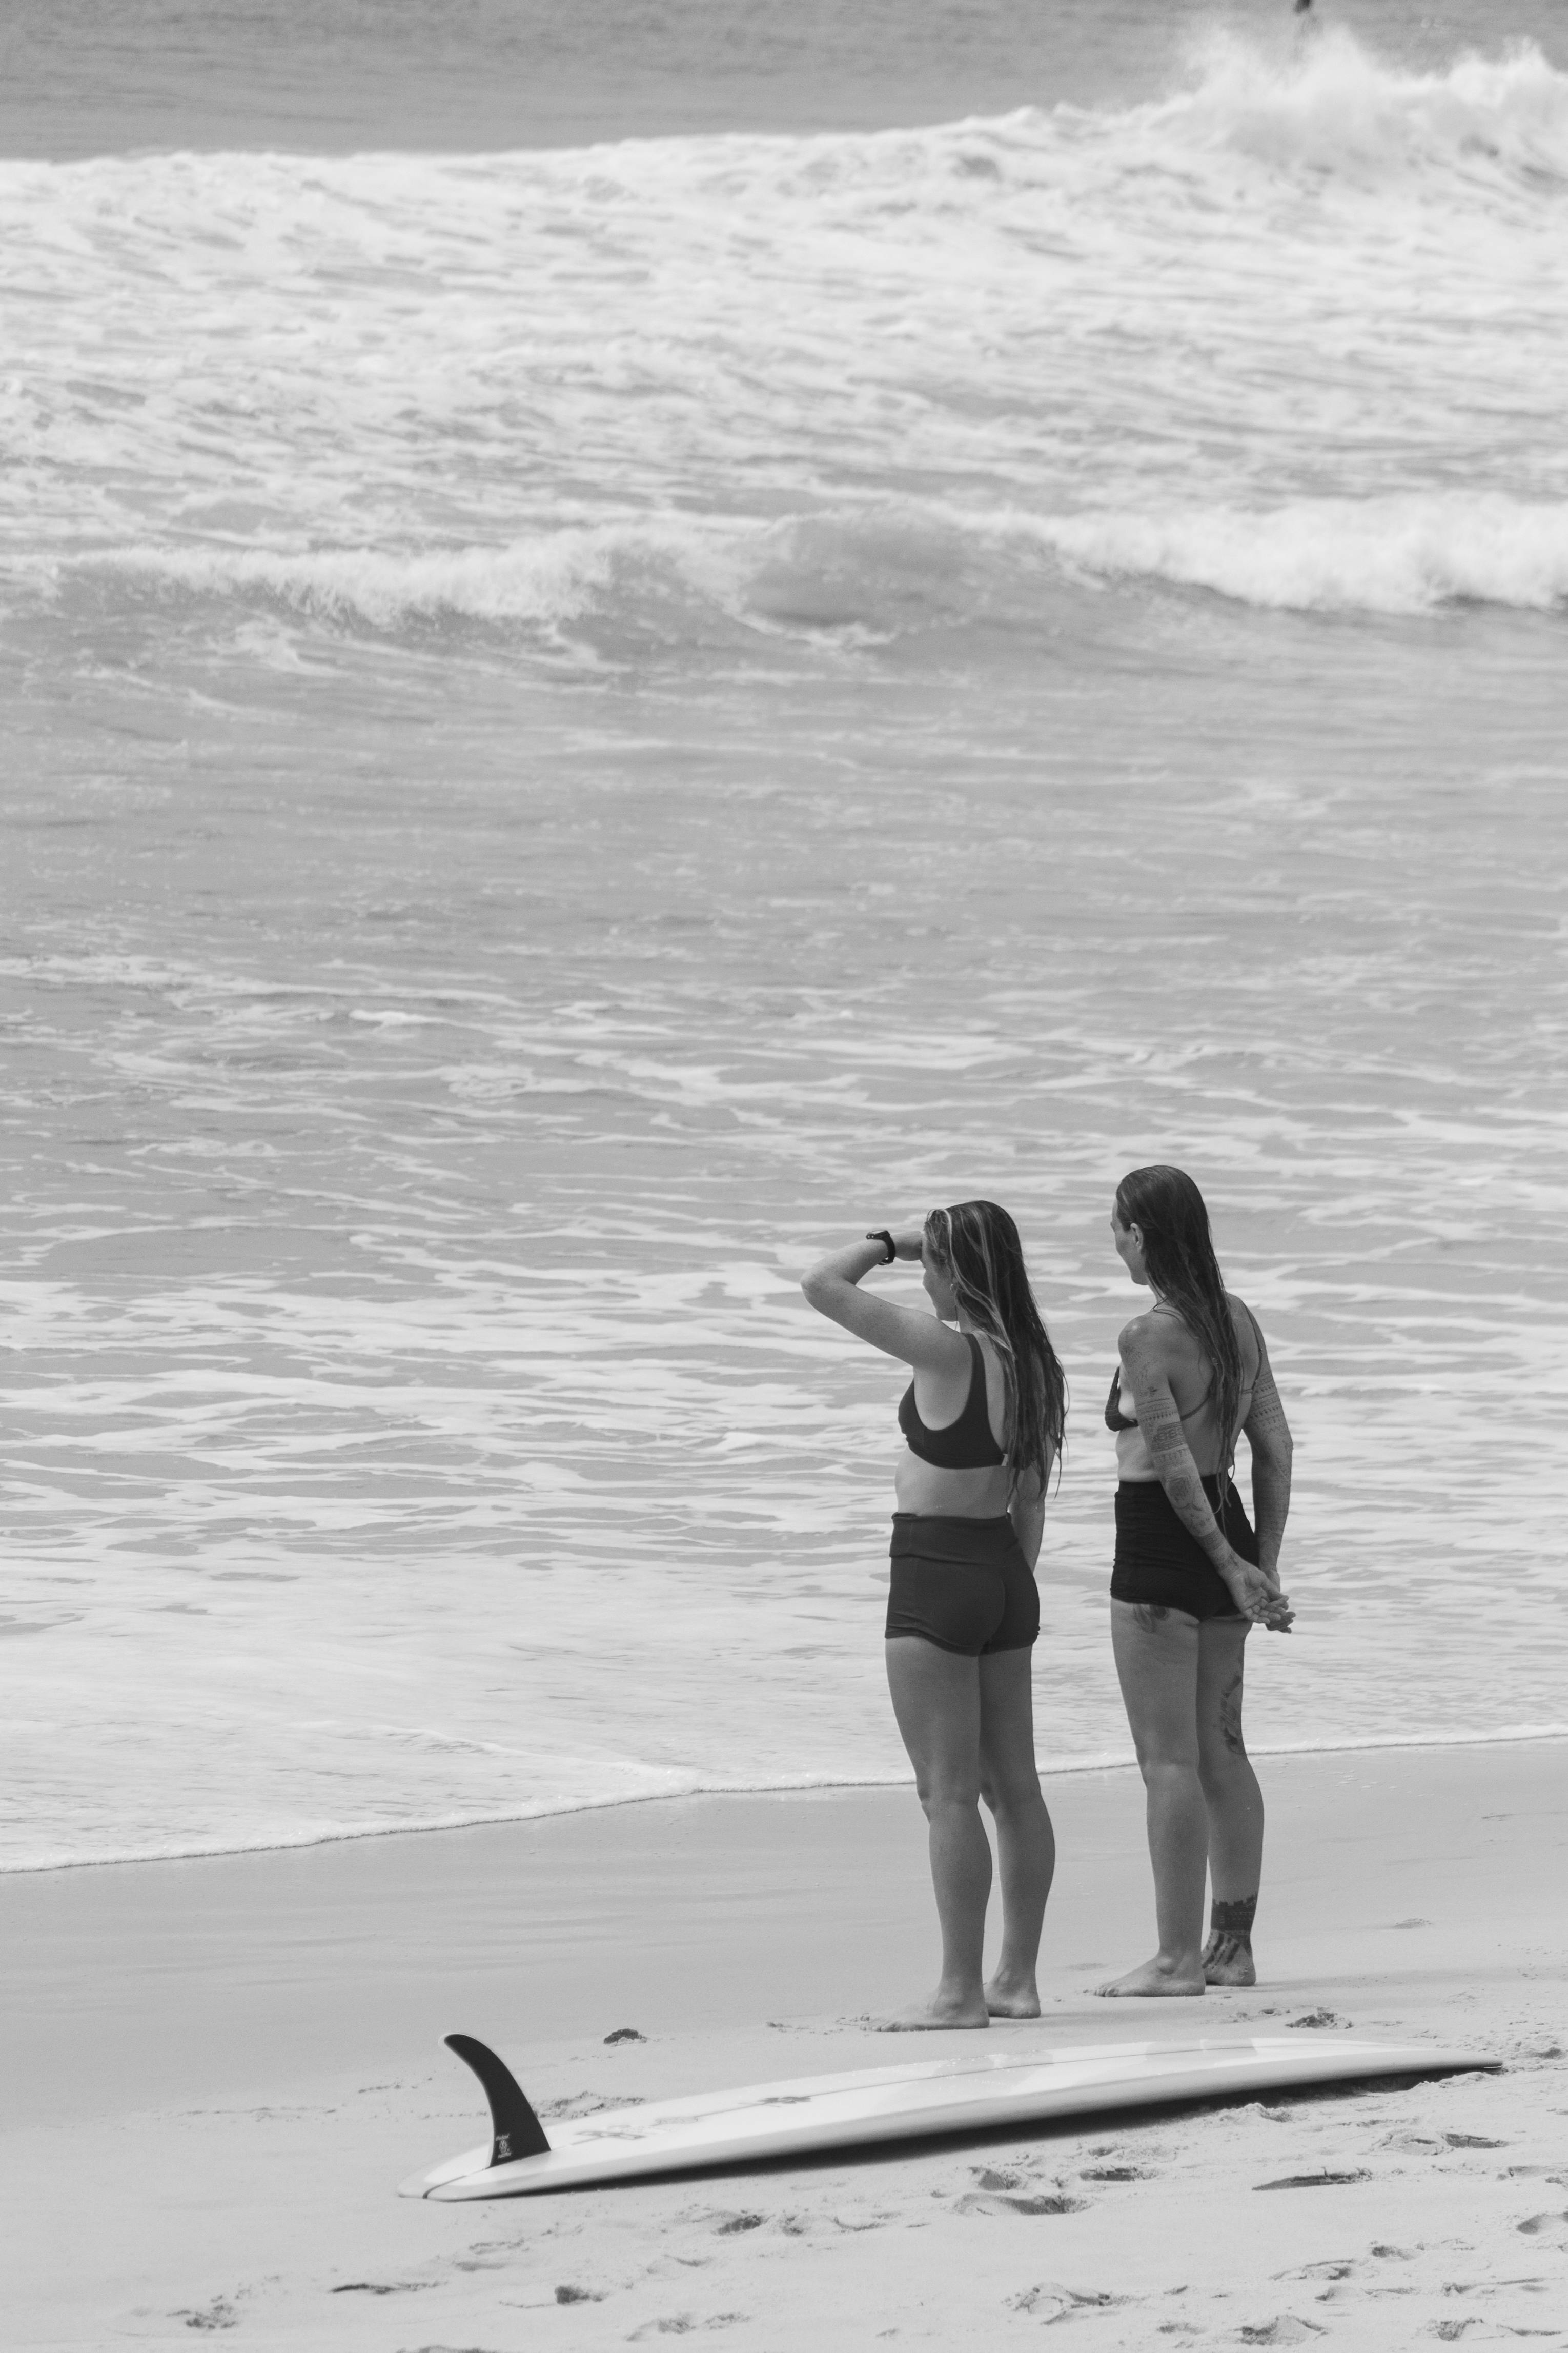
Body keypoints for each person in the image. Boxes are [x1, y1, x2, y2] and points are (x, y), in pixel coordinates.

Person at [801, 1203, 1067, 2028]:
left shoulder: (944, 1349)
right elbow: (1030, 1501)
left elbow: (820, 1284)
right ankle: (1014, 1980)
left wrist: (886, 1241)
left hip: (935, 1570)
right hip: (1002, 1573)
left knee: (946, 1795)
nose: (923, 1277)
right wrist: (1004, 1589)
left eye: (932, 1264)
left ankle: (959, 1992)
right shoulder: (1033, 1363)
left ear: (959, 1271)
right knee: (1014, 1790)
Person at [1097, 1165, 1294, 1999]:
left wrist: (1227, 1563)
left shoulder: (1149, 1334)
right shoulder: (1238, 1320)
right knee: (1223, 1749)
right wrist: (1260, 1562)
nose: (1115, 1243)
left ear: (1141, 1234)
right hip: (1232, 1531)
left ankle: (1178, 1959)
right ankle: (1232, 1948)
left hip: (1165, 1546)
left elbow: (1175, 1473)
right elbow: (1276, 1446)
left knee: (1167, 1762)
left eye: (1117, 1228)